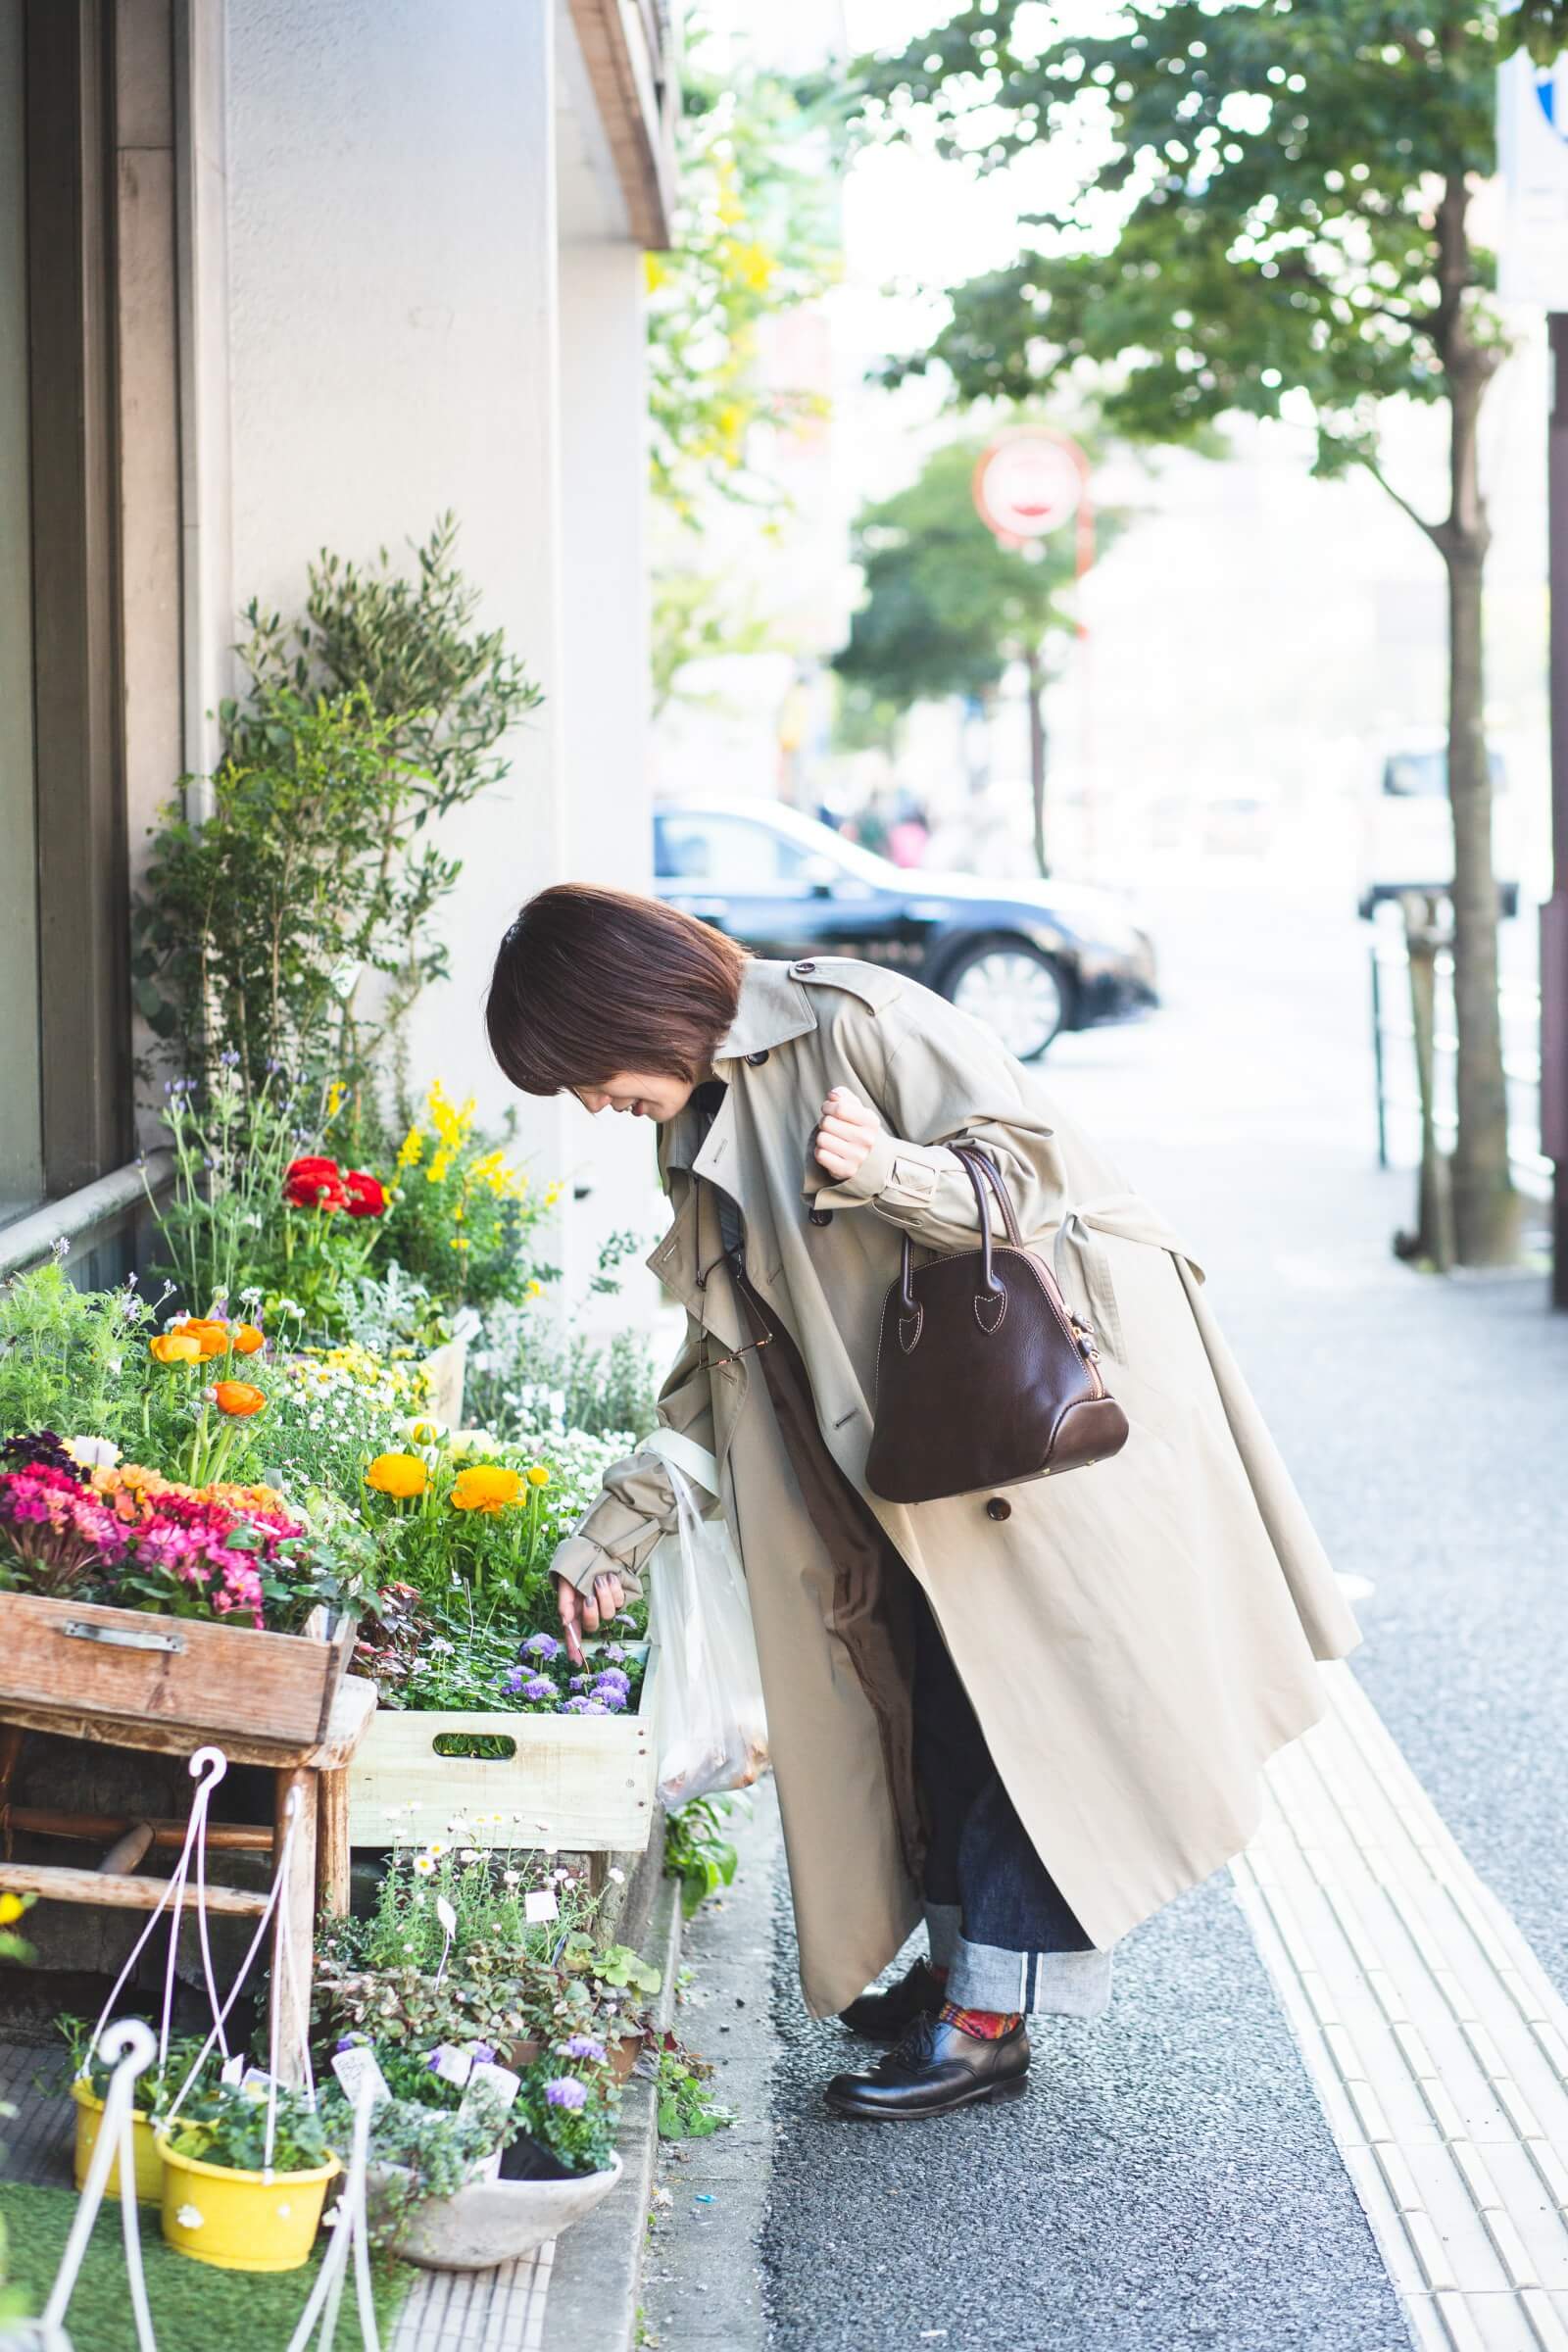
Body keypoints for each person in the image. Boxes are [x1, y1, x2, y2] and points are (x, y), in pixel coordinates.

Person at [485, 886, 1361, 2123]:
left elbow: (1036, 1181)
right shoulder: (690, 1123)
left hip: (1044, 1426)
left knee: (1032, 1712)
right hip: (923, 1453)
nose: (589, 1104)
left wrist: (892, 1173)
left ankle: (989, 2019)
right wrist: (613, 1527)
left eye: (585, 1070)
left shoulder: (856, 1019)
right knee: (942, 1704)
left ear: (638, 1004)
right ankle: (964, 1978)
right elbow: (726, 1355)